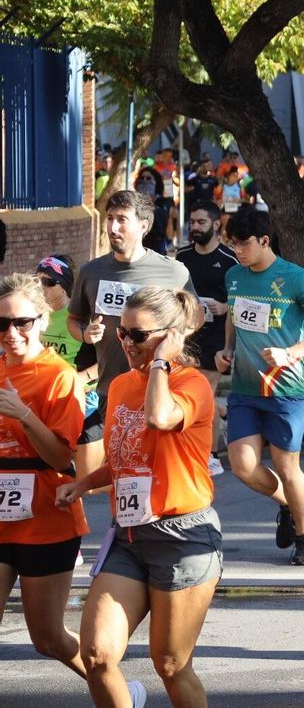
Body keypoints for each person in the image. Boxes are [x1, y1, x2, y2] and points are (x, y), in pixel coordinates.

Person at [58, 287, 222, 708]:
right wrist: (82, 484)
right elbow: (126, 453)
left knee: (171, 663)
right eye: (121, 331)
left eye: (138, 335)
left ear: (171, 337)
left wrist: (160, 366)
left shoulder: (192, 384)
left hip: (184, 535)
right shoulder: (120, 386)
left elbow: (161, 418)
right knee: (98, 654)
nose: (125, 341)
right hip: (129, 534)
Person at [215, 209, 304, 566]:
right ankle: (286, 505)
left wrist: (291, 353)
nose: (237, 251)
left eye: (244, 243)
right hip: (245, 388)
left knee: (286, 465)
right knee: (242, 465)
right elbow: (236, 318)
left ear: (265, 240)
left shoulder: (296, 279)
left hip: (286, 388)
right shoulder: (235, 276)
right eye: (232, 244)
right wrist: (228, 351)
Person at [68, 191, 196, 495]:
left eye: (121, 220)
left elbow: (194, 318)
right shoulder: (91, 271)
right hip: (110, 386)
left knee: (154, 469)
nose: (113, 228)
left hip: (159, 384)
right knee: (123, 469)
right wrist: (86, 335)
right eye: (109, 219)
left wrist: (167, 342)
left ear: (144, 225)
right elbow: (75, 320)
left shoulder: (172, 270)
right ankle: (126, 533)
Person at [0, 274, 88, 679]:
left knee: (48, 638)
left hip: (46, 519)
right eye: (2, 324)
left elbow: (59, 457)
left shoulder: (60, 377)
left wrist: (24, 415)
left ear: (43, 318)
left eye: (22, 322)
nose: (12, 333)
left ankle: (112, 687)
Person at [175, 201, 236, 473]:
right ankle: (222, 418)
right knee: (190, 392)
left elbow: (239, 298)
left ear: (215, 224)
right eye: (192, 222)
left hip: (217, 335)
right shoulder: (183, 256)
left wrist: (225, 306)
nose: (194, 227)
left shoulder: (229, 259)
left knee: (205, 394)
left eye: (200, 222)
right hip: (189, 334)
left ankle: (212, 455)